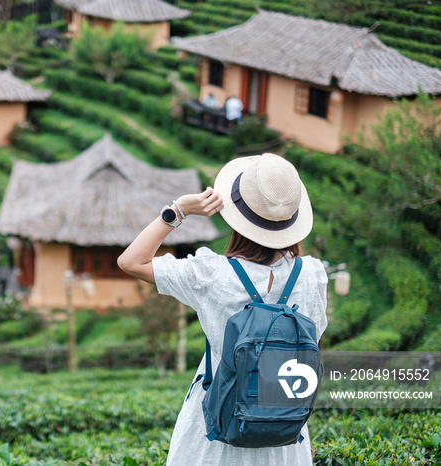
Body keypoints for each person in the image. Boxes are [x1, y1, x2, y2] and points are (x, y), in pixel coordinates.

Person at [117, 153, 328, 465]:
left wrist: (179, 210)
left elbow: (131, 261)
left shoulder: (211, 274)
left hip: (217, 432)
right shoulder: (313, 275)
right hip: (284, 433)